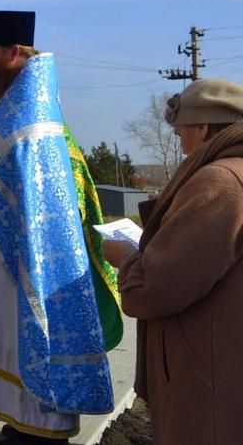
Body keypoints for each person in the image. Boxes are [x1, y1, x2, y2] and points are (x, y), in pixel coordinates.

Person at [0, 11, 114, 444]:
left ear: (15, 52)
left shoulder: (33, 102)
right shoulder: (19, 96)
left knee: (30, 327)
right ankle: (17, 414)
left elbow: (16, 155)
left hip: (27, 245)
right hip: (6, 243)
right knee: (6, 328)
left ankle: (41, 426)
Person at [102, 79, 243, 444]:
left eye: (181, 129)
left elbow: (157, 286)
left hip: (209, 381)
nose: (178, 138)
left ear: (202, 126)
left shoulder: (220, 182)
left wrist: (127, 257)